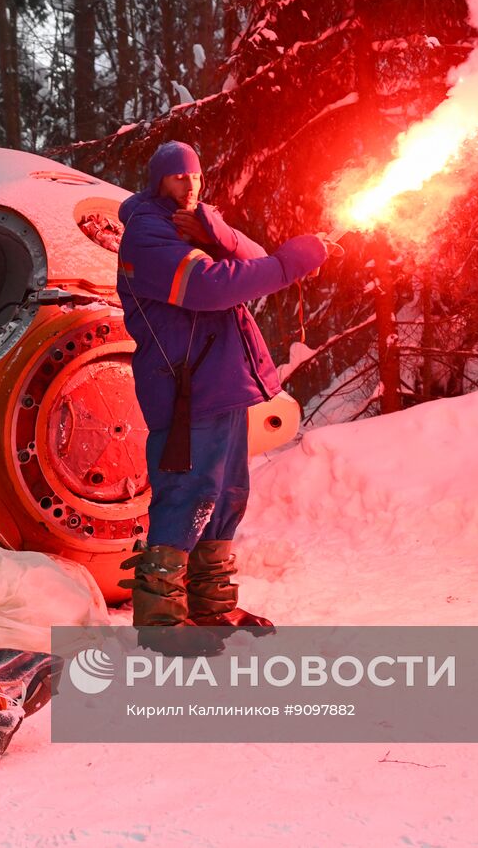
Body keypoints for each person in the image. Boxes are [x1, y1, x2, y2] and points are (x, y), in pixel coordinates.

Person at [115, 141, 329, 654]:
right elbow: (210, 286)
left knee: (228, 495)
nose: (189, 187)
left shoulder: (195, 222)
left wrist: (219, 233)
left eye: (196, 176)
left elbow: (255, 261)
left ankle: (211, 606)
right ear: (157, 182)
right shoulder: (146, 233)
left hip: (221, 381)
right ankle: (161, 620)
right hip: (185, 387)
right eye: (177, 178)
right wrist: (289, 261)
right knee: (188, 495)